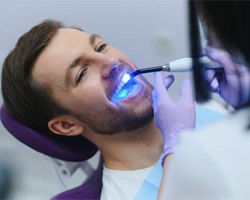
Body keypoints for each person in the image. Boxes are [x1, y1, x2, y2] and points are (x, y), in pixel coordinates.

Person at [1, 20, 196, 199]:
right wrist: (177, 150)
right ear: (66, 125)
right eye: (83, 73)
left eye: (101, 47)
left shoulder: (201, 110)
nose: (111, 62)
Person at [154, 1, 250, 199]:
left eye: (206, 23)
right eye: (82, 73)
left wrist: (176, 147)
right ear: (70, 125)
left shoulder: (204, 153)